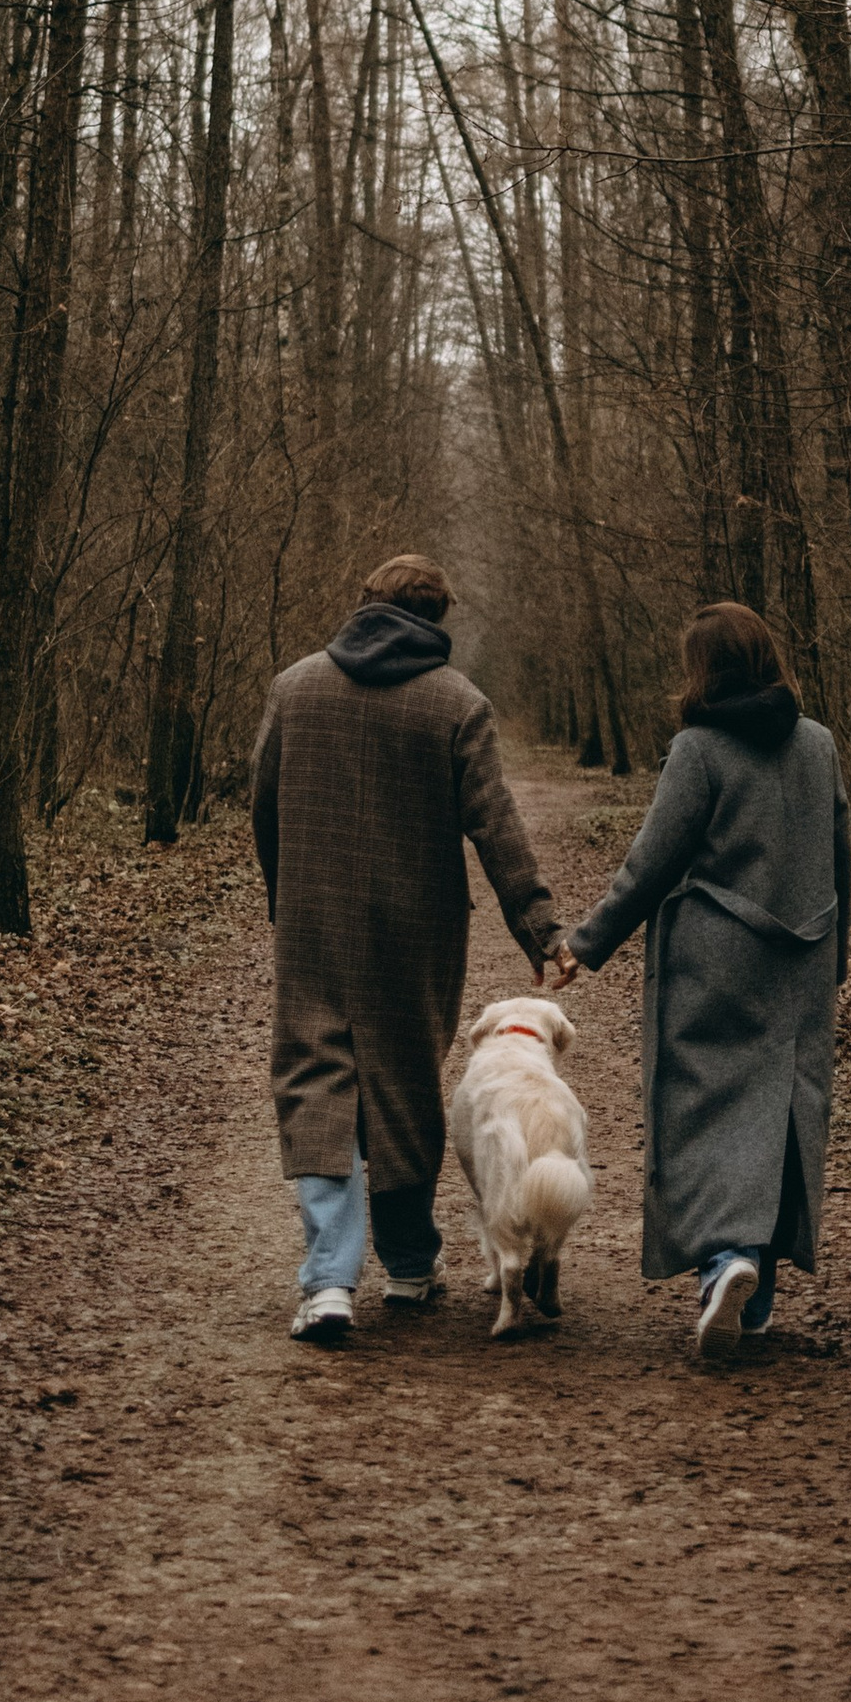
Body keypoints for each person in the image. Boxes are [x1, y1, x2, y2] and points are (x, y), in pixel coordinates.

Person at [251, 552, 566, 1343]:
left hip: (314, 919)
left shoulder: (295, 687)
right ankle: (408, 1263)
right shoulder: (456, 702)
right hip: (415, 928)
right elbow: (497, 825)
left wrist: (283, 896)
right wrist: (541, 931)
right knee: (401, 1083)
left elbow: (264, 801)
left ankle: (328, 1281)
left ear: (364, 603)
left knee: (313, 1078)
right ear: (437, 620)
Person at [559, 601, 850, 1355]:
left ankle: (727, 1261)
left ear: (704, 669)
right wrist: (835, 958)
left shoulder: (700, 748)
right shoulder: (818, 744)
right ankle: (753, 1304)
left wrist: (585, 946)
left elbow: (652, 863)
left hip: (715, 959)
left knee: (703, 1111)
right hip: (804, 959)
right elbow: (841, 857)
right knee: (781, 1118)